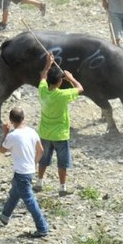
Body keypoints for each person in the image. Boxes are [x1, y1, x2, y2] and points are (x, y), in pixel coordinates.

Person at [0, 106, 49, 238]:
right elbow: (40, 150)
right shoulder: (32, 132)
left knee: (30, 201)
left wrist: (5, 133)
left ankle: (42, 228)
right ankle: (5, 215)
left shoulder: (13, 136)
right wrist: (34, 163)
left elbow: (2, 150)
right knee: (14, 193)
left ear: (11, 120)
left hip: (21, 173)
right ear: (23, 118)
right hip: (29, 171)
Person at [34, 51, 83, 196]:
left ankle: (39, 183)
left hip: (45, 133)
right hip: (60, 135)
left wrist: (48, 64)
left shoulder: (42, 91)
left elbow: (43, 75)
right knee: (62, 163)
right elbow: (80, 89)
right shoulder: (62, 95)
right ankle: (62, 188)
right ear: (60, 82)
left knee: (43, 160)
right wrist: (72, 78)